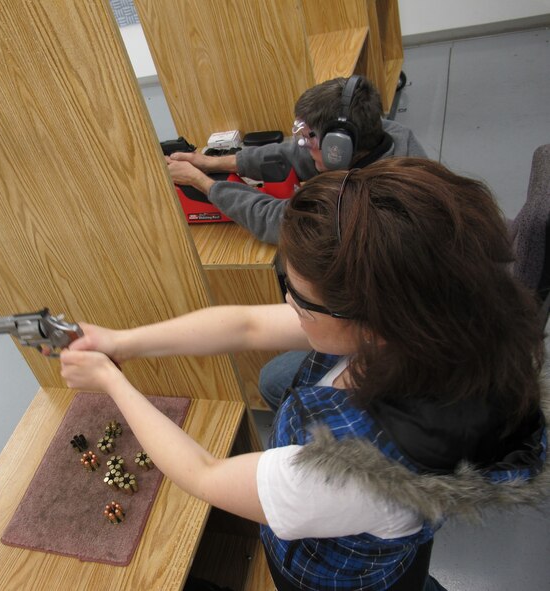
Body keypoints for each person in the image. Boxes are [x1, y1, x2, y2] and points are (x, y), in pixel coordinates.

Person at [61, 158, 548, 591]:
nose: (288, 303)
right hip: (386, 527)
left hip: (329, 574)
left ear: (373, 321)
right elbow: (247, 325)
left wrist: (111, 382)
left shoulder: (355, 468)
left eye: (299, 297)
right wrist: (121, 342)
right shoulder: (443, 316)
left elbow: (204, 474)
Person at [167, 76, 428, 409]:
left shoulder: (362, 207)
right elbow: (294, 154)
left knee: (274, 381)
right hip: (406, 302)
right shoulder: (388, 136)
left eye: (310, 137)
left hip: (403, 336)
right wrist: (213, 161)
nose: (303, 144)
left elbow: (273, 219)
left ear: (338, 145)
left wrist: (202, 182)